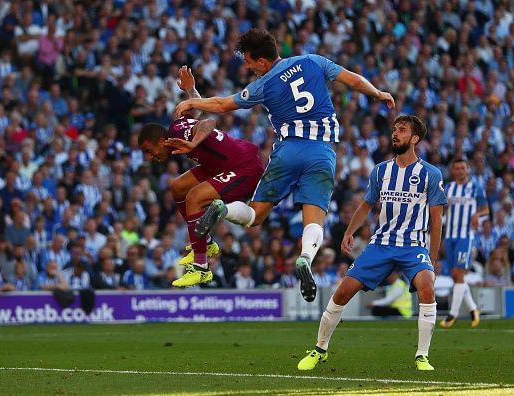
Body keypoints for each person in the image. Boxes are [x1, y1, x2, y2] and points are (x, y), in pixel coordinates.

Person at [174, 28, 394, 302]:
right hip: (322, 152)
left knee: (254, 216)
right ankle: (305, 258)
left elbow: (221, 104)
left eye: (249, 61)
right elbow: (353, 80)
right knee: (314, 218)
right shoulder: (313, 60)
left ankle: (223, 209)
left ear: (263, 61)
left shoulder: (263, 84)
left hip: (288, 151)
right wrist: (377, 92)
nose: (248, 67)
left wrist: (191, 99)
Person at [297, 116, 446, 372]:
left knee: (427, 287)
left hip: (413, 244)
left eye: (402, 130)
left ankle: (422, 355)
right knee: (343, 291)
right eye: (394, 129)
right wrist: (349, 231)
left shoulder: (430, 174)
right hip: (381, 243)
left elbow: (436, 219)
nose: (395, 134)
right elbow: (367, 204)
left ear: (415, 139)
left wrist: (432, 257)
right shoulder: (381, 170)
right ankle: (320, 349)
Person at [139, 66, 265, 287]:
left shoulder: (180, 134)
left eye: (149, 151)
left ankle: (201, 268)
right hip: (217, 165)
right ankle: (205, 242)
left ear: (161, 141)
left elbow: (208, 122)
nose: (149, 158)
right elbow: (196, 111)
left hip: (243, 166)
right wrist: (191, 91)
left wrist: (193, 144)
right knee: (178, 186)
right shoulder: (177, 126)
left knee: (194, 197)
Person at [440, 158, 488, 329]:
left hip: (465, 236)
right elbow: (442, 207)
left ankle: (452, 315)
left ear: (468, 169)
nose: (460, 171)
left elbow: (485, 209)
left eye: (462, 168)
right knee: (455, 274)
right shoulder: (448, 188)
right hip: (450, 236)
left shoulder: (475, 187)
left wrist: (477, 215)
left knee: (459, 274)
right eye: (457, 168)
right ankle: (474, 309)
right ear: (453, 171)